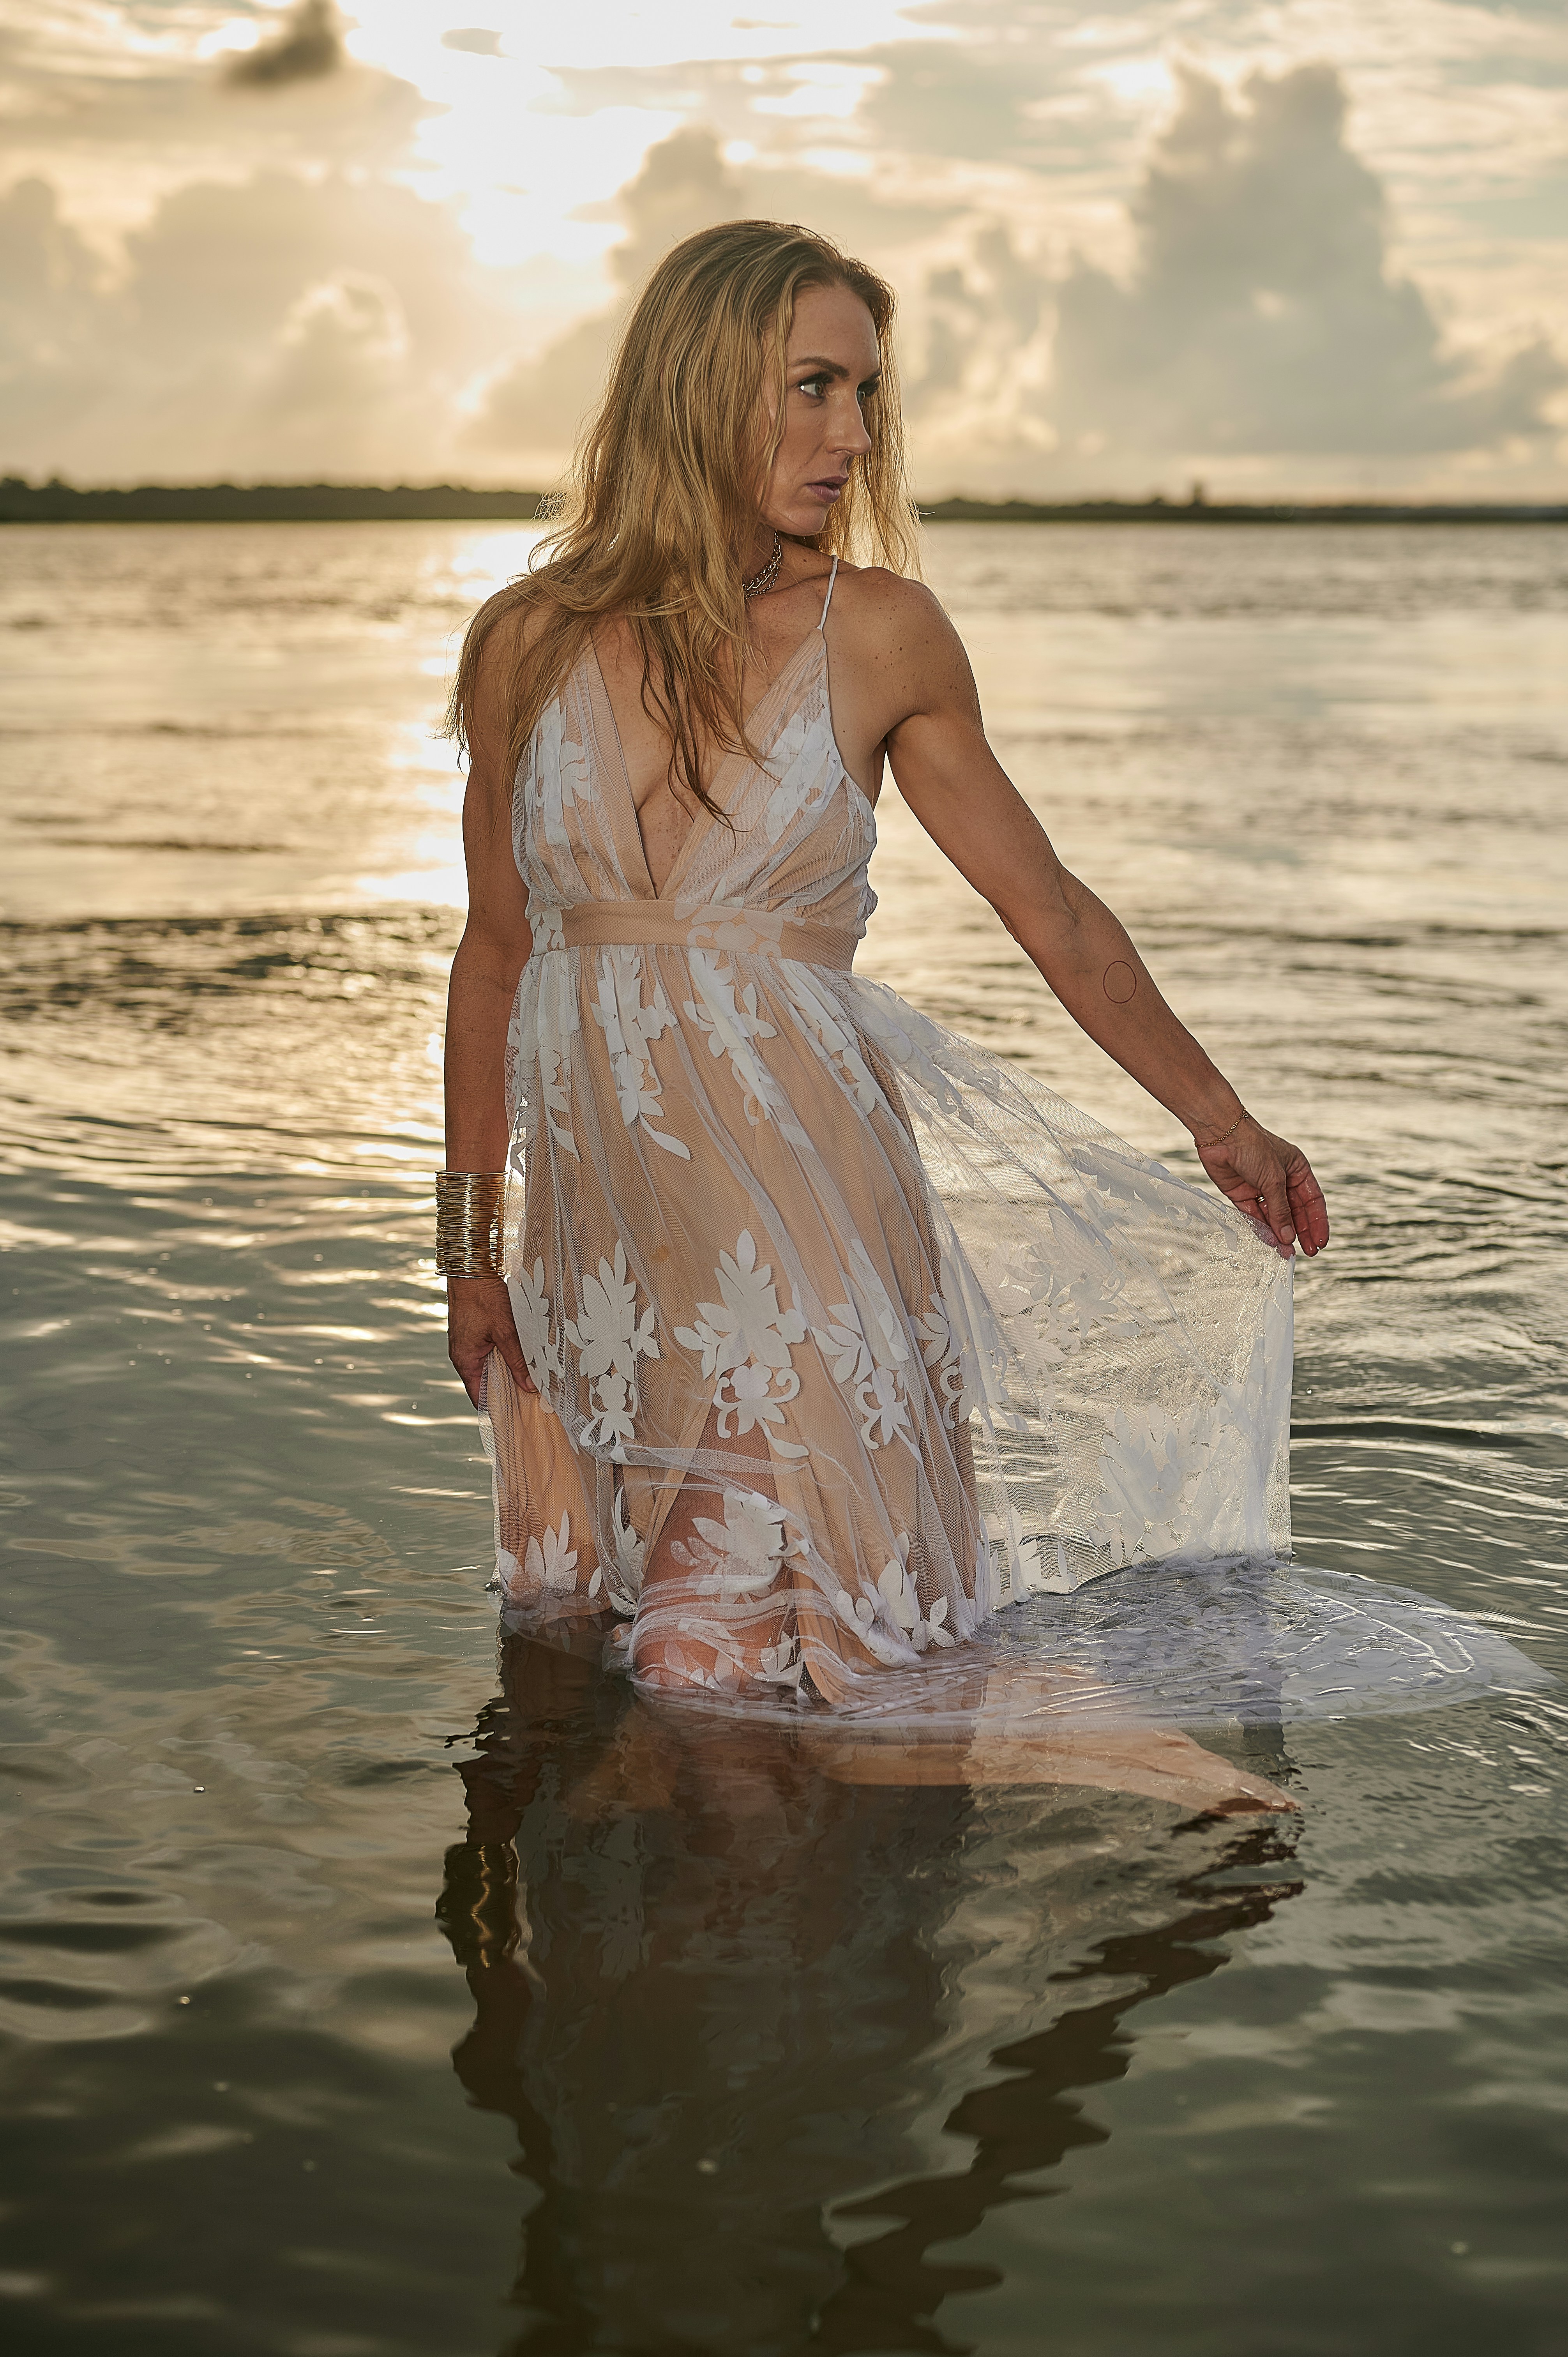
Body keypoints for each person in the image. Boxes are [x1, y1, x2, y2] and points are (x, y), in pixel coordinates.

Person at [440, 219, 1328, 1806]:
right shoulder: (523, 644)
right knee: (630, 1655)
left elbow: (1052, 910)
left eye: (863, 392)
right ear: (699, 387)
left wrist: (1222, 1121)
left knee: (716, 1671)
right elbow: (496, 956)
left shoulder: (882, 634)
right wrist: (467, 1253)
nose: (853, 433)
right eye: (814, 388)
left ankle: (1197, 1835)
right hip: (609, 1263)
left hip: (805, 1235)